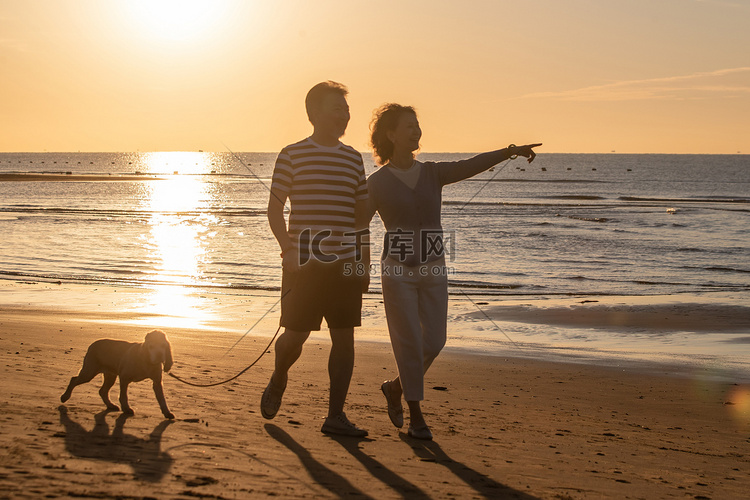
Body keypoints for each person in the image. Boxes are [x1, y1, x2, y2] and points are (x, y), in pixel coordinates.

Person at [364, 103, 540, 440]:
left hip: (433, 264)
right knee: (408, 342)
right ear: (390, 134)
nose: (416, 130)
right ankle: (417, 418)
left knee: (435, 339)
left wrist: (510, 151)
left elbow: (470, 165)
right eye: (408, 126)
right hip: (397, 270)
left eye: (418, 124)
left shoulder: (432, 172)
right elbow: (358, 224)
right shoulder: (378, 182)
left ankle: (395, 388)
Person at [263, 81, 370, 437]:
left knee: (345, 339)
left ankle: (335, 416)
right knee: (295, 336)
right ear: (314, 114)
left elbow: (360, 217)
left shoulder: (354, 158)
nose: (344, 114)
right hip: (304, 265)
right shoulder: (292, 154)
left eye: (346, 109)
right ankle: (279, 377)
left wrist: (363, 260)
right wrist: (287, 248)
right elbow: (274, 209)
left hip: (343, 265)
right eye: (337, 108)